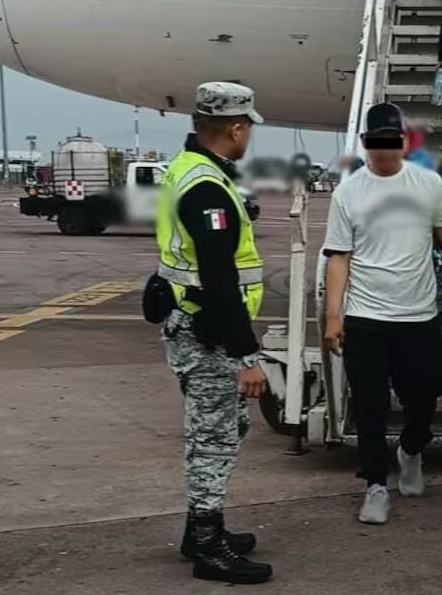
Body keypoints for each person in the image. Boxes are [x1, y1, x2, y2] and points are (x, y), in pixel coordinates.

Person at [154, 82, 273, 585]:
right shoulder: (208, 188)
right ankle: (206, 546)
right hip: (210, 332)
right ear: (237, 127)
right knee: (214, 439)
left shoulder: (186, 169)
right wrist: (246, 354)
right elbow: (220, 277)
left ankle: (201, 529)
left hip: (194, 323)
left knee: (219, 431)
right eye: (249, 129)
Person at [322, 103, 442, 525]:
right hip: (365, 315)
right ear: (365, 144)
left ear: (402, 142)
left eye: (391, 141)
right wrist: (333, 316)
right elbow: (339, 257)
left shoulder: (428, 184)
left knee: (427, 390)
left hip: (417, 315)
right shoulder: (349, 192)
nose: (383, 151)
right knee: (370, 403)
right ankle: (375, 484)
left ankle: (412, 449)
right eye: (375, 143)